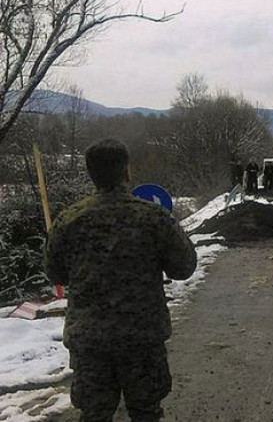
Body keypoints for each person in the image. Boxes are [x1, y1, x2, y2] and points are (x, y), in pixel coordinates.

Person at [44, 139, 198, 421]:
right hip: (142, 339)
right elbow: (184, 268)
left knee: (94, 415)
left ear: (92, 174)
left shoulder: (69, 220)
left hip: (90, 343)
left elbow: (54, 273)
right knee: (146, 412)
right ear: (126, 171)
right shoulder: (153, 217)